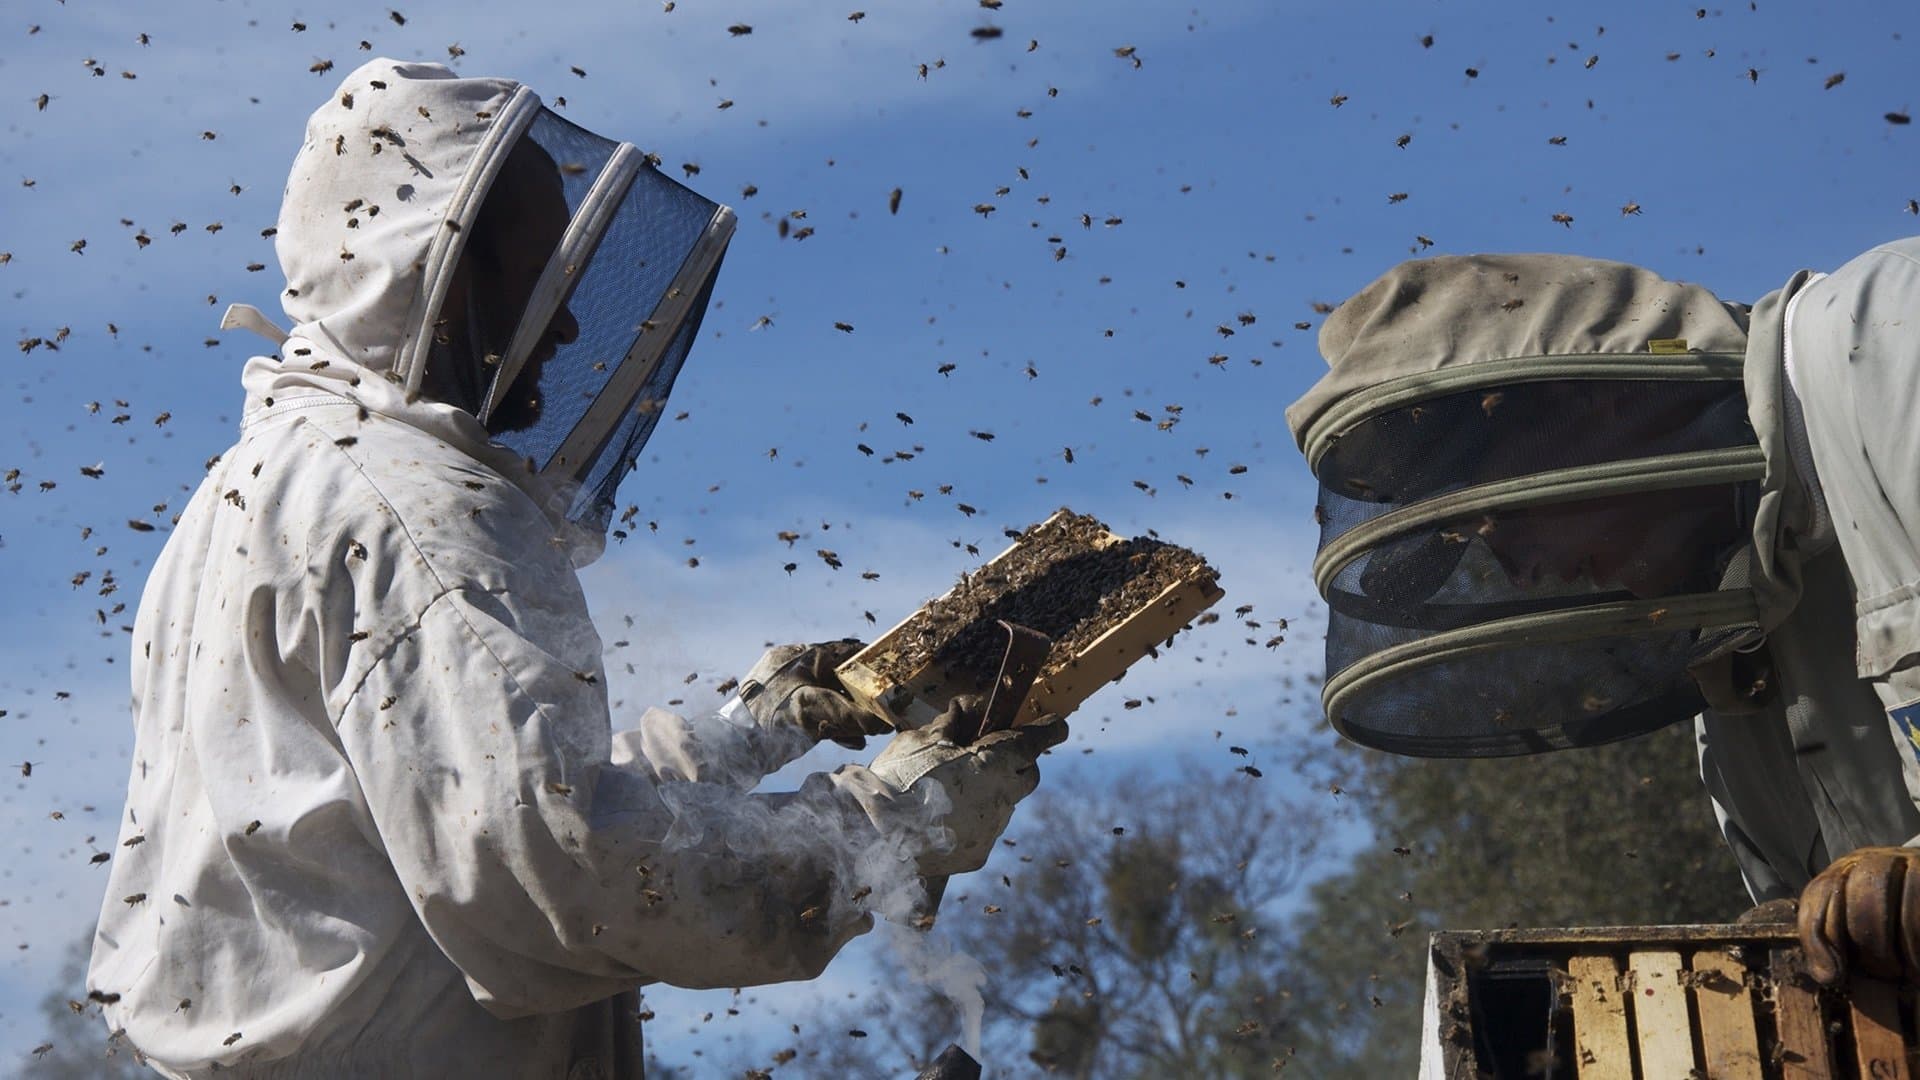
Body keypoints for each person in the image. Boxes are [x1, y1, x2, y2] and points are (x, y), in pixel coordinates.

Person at [87, 58, 1064, 1079]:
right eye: (534, 266)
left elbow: (476, 806)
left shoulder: (264, 485)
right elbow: (566, 873)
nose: (560, 320)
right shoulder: (413, 507)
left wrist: (752, 734)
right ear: (435, 266)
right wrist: (893, 822)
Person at [1286, 245, 1920, 990]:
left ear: (1597, 405)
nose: (1521, 572)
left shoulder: (1888, 336)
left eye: (1500, 516)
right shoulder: (1741, 719)